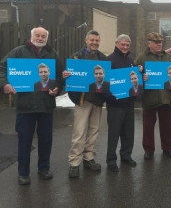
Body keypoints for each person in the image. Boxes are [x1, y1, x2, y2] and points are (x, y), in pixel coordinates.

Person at [0, 27, 63, 185]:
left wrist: (58, 88)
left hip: (46, 105)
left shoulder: (53, 54)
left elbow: (61, 76)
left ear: (46, 38)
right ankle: (23, 173)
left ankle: (44, 168)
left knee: (46, 140)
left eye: (43, 36)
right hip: (25, 105)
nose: (40, 38)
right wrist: (4, 84)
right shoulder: (19, 52)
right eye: (38, 35)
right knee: (24, 140)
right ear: (32, 36)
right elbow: (1, 68)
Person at [63, 30, 107, 178]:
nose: (94, 42)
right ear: (86, 40)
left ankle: (89, 158)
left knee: (93, 131)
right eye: (92, 40)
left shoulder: (103, 58)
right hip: (82, 99)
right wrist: (65, 75)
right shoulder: (76, 57)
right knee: (79, 132)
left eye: (97, 40)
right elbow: (68, 76)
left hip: (98, 99)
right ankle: (74, 163)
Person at [135, 32, 171, 160]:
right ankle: (149, 149)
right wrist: (141, 77)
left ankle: (167, 147)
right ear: (149, 44)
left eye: (160, 42)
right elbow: (133, 77)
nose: (159, 44)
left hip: (166, 97)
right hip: (149, 98)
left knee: (167, 125)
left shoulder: (169, 58)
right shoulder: (141, 58)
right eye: (156, 42)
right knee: (148, 126)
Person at [105, 34, 140, 172]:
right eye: (122, 44)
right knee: (114, 134)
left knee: (128, 133)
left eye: (127, 45)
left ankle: (126, 155)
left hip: (129, 103)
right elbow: (106, 83)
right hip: (115, 105)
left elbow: (136, 79)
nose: (125, 47)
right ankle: (111, 160)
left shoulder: (131, 60)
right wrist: (110, 98)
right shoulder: (110, 60)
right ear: (116, 44)